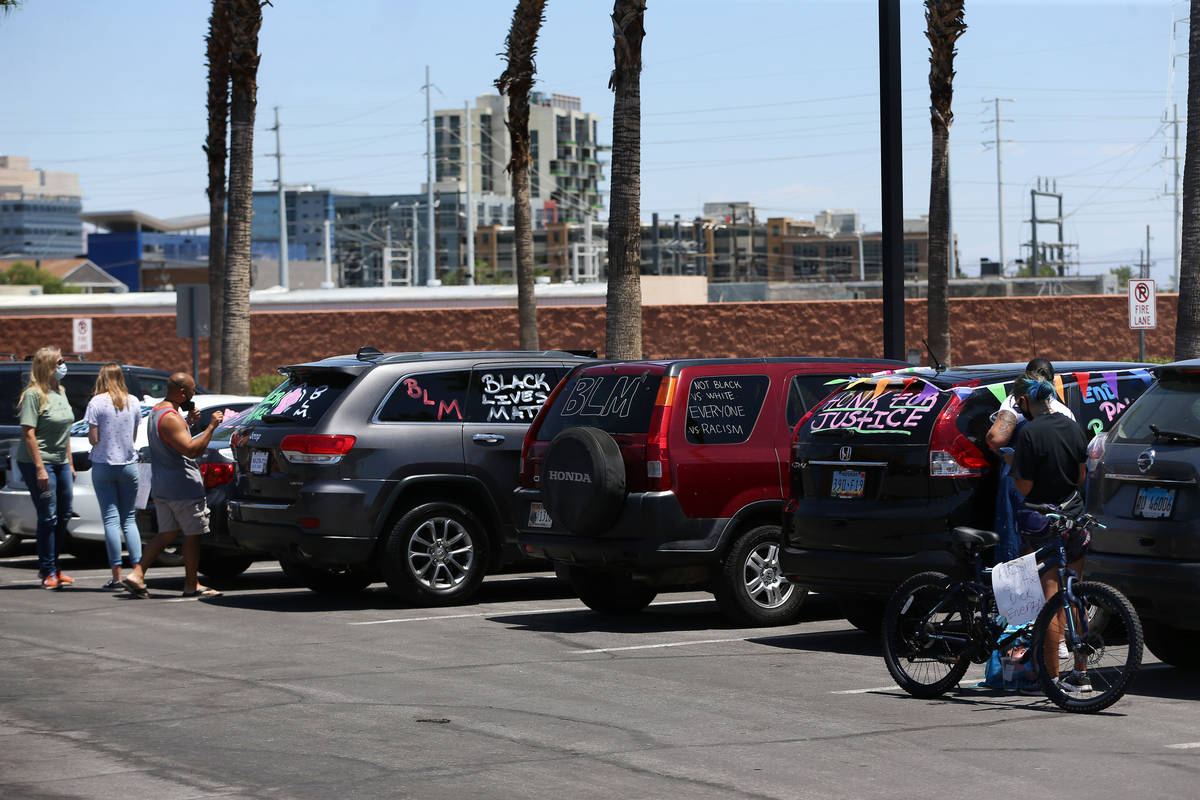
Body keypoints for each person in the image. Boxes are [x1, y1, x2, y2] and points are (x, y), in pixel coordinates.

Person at [1010, 375, 1090, 696]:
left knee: (1051, 598)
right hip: (1076, 516)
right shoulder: (1072, 426)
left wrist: (1013, 465)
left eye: (1020, 404)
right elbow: (1082, 474)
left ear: (1027, 402)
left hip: (1045, 523)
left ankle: (1051, 679)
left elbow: (1024, 487)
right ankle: (1081, 674)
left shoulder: (1030, 433)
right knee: (1076, 596)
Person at [122, 372, 223, 599]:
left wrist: (188, 423)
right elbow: (190, 449)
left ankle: (137, 574)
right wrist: (211, 427)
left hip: (163, 485)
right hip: (183, 486)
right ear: (181, 392)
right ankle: (191, 584)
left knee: (166, 533)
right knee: (193, 534)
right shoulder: (170, 418)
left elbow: (171, 440)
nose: (193, 394)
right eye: (192, 390)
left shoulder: (159, 412)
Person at [986, 358, 1075, 563]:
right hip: (1058, 487)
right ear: (1052, 382)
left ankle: (1019, 592)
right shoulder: (1065, 412)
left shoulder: (1014, 402)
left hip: (1021, 484)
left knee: (1018, 543)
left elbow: (996, 439)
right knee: (1049, 548)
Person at [16, 346, 76, 589]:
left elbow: (66, 432)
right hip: (38, 463)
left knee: (65, 514)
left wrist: (70, 462)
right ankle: (48, 570)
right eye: (60, 361)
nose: (64, 365)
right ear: (48, 365)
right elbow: (28, 433)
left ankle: (53, 566)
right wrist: (40, 469)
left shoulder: (60, 391)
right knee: (48, 516)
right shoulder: (33, 394)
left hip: (61, 462)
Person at [85, 363, 143, 590]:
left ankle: (117, 576)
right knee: (129, 519)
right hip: (129, 465)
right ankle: (138, 572)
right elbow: (134, 435)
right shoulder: (134, 401)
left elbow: (93, 439)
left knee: (110, 520)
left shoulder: (96, 402)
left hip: (103, 465)